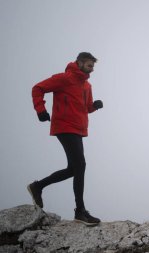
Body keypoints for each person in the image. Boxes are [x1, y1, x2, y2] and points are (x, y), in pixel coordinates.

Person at [28, 52, 103, 226]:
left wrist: (94, 106)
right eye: (89, 65)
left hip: (78, 129)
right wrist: (40, 110)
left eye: (93, 66)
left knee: (74, 169)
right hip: (64, 126)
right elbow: (37, 88)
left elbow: (86, 108)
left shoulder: (87, 86)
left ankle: (38, 186)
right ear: (80, 63)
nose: (92, 69)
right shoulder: (64, 78)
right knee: (81, 165)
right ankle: (80, 211)